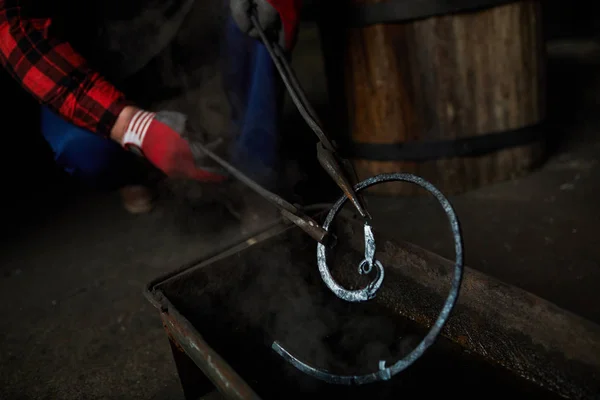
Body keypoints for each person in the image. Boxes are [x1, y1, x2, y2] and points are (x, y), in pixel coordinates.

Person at [0, 0, 302, 214]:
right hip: (86, 59)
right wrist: (130, 125)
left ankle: (256, 181)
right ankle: (135, 173)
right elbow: (11, 27)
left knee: (265, 13)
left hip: (186, 18)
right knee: (83, 150)